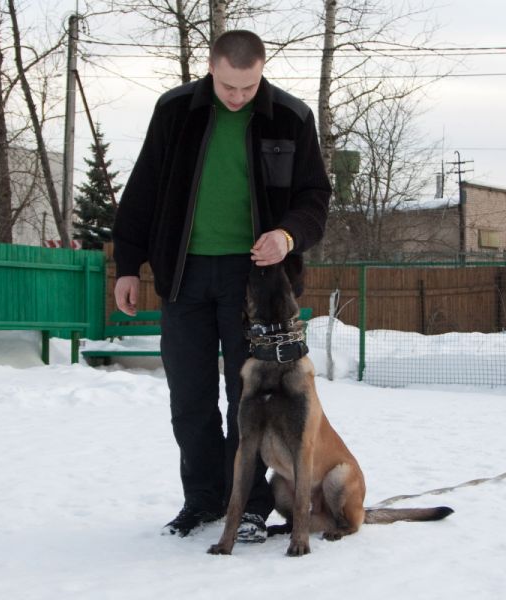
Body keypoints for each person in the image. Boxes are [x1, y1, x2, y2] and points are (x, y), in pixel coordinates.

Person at [111, 30, 331, 542]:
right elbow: (143, 189)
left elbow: (315, 197)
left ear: (262, 72)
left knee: (248, 400)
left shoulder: (291, 117)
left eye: (248, 87)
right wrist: (127, 265)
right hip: (183, 276)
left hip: (255, 285)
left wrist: (286, 234)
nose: (237, 96)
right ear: (211, 68)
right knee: (189, 399)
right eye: (229, 86)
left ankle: (250, 507)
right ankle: (202, 500)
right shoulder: (175, 111)